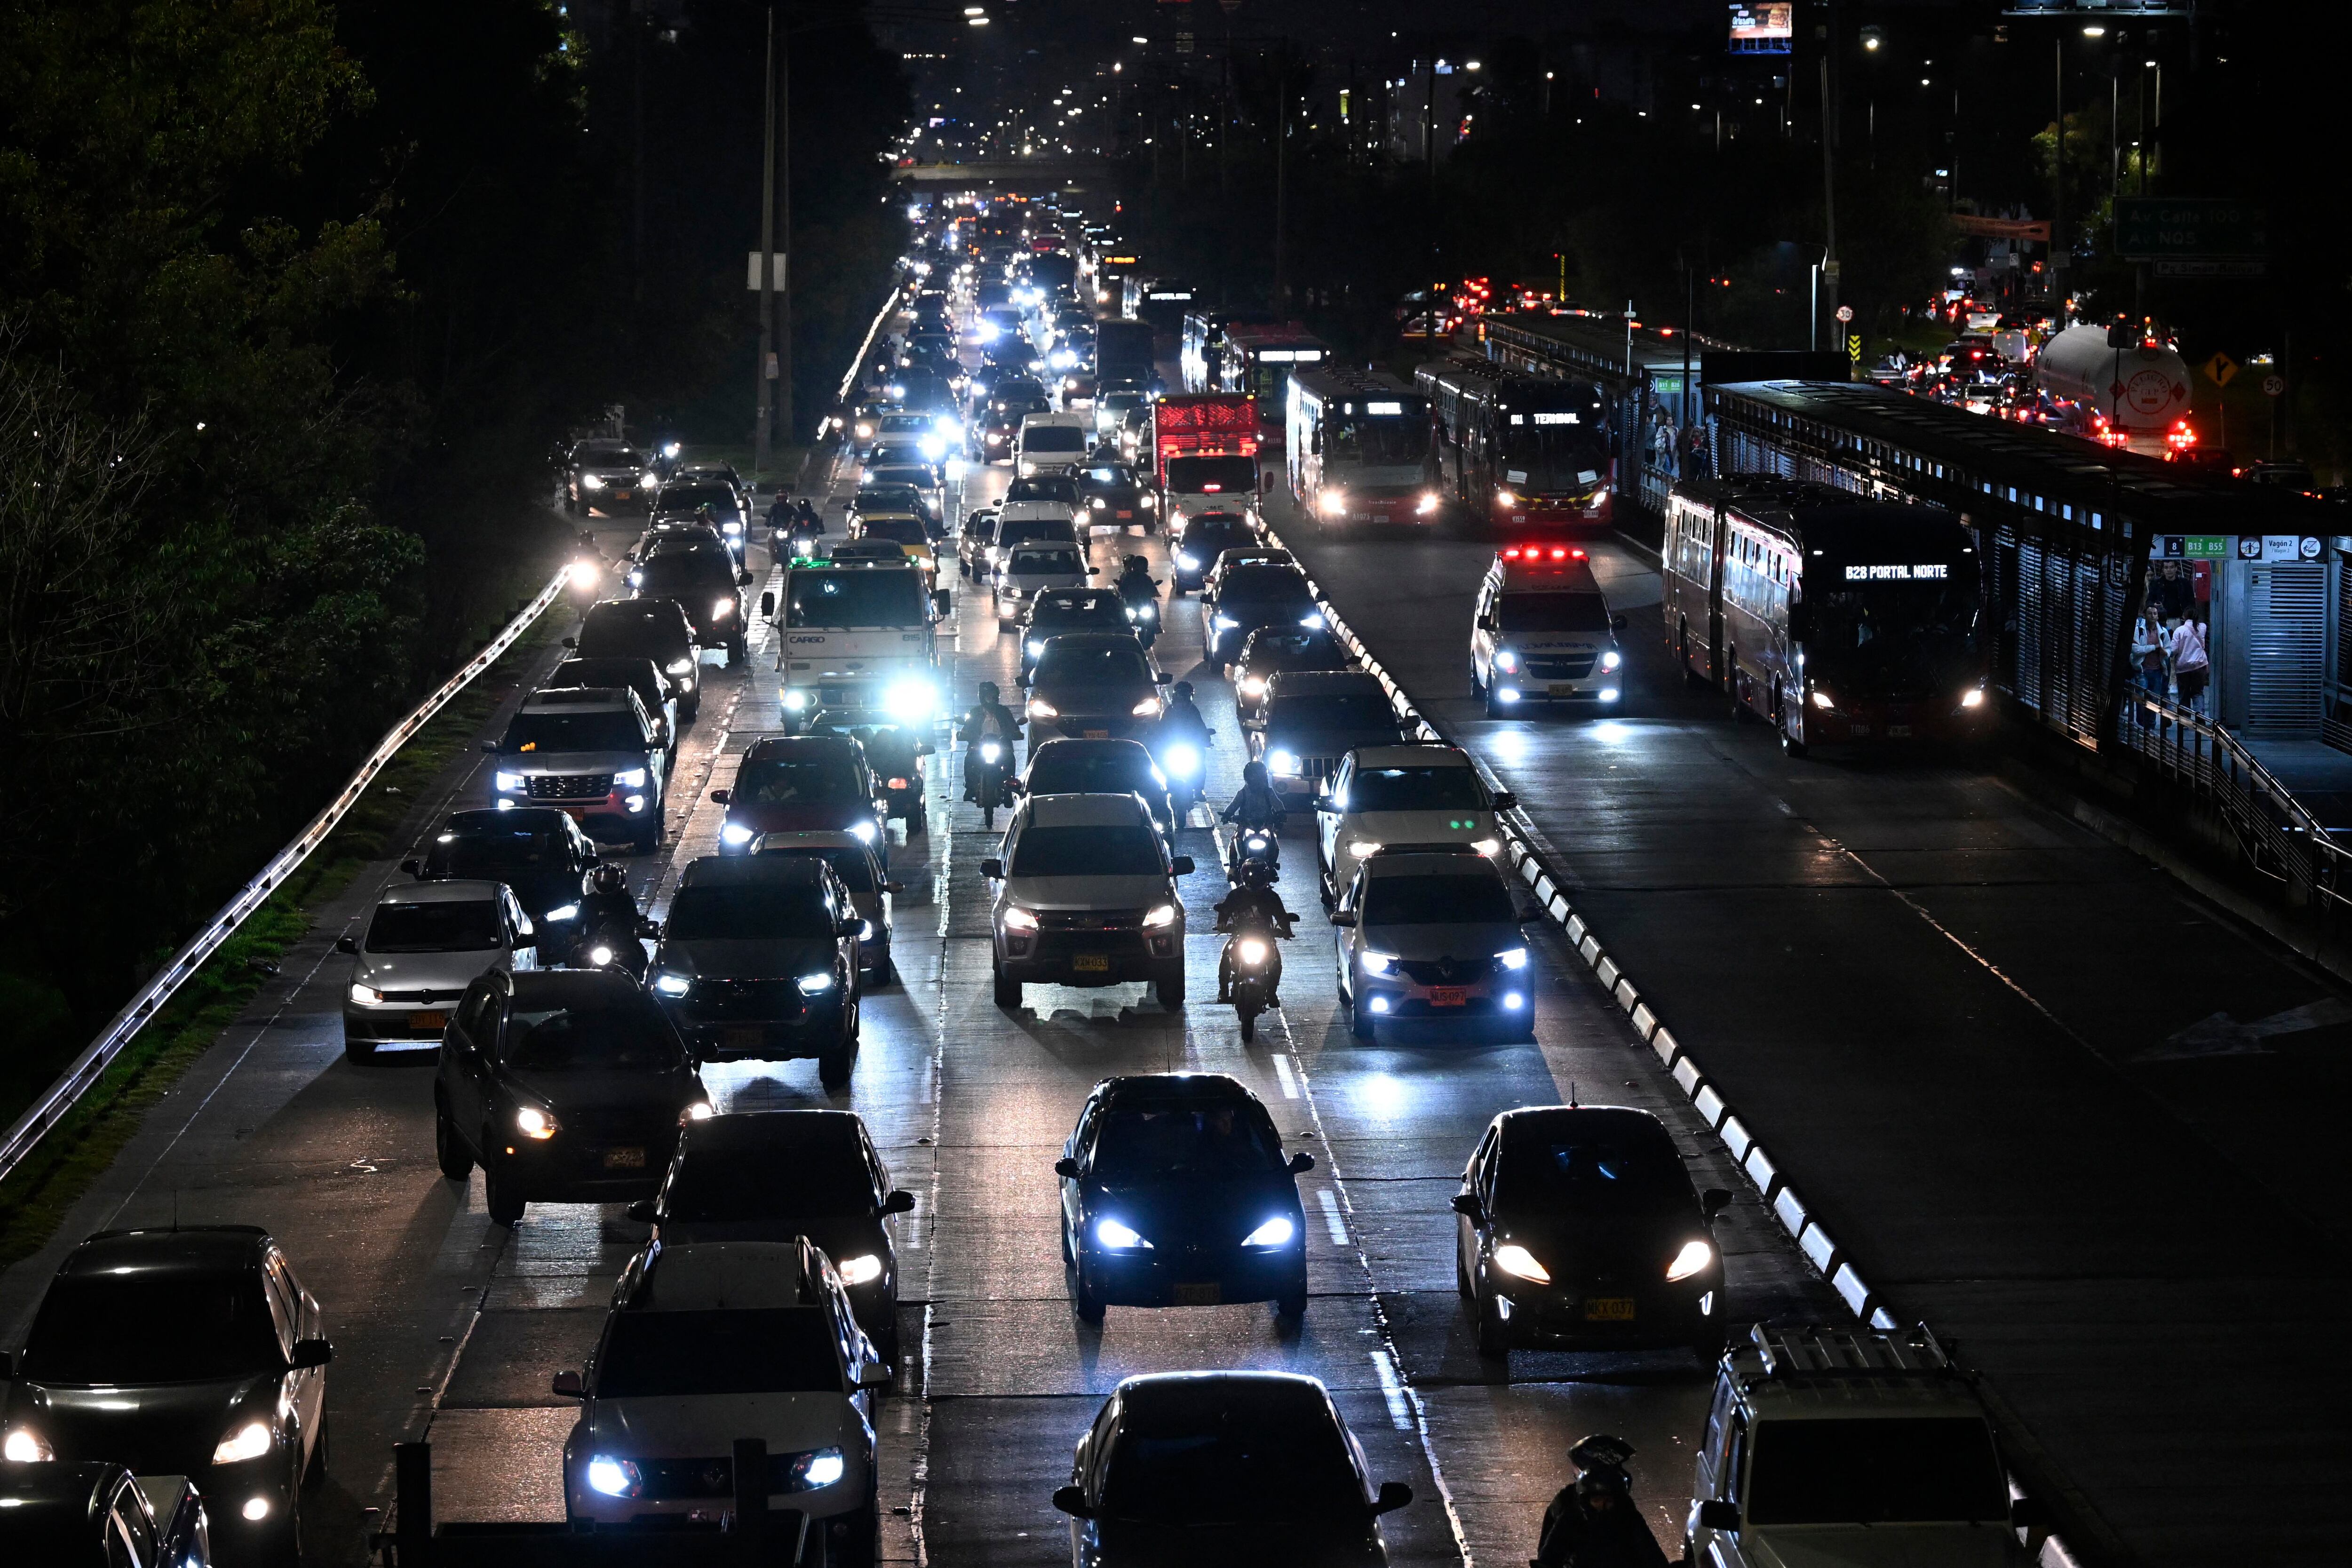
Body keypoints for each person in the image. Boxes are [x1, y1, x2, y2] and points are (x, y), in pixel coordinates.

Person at [1533, 1434, 1669, 1568]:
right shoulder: (1570, 1510)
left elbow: (1650, 1550)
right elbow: (1551, 1552)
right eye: (1598, 1500)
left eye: (1608, 1500)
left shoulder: (1626, 1513)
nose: (1603, 1506)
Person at [1214, 860, 1294, 1003]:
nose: (1255, 879)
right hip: (1241, 935)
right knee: (1226, 954)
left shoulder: (1272, 897)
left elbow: (1281, 915)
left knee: (1276, 961)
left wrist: (1286, 930)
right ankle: (1223, 990)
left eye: (1258, 876)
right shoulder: (1236, 895)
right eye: (1252, 875)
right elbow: (1225, 910)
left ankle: (1271, 993)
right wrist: (1222, 924)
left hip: (1265, 937)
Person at [958, 681, 1023, 800]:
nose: (992, 699)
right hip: (979, 746)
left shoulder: (1004, 712)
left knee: (1010, 758)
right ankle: (970, 788)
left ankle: (1009, 788)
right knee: (969, 759)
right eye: (989, 696)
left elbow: (1013, 727)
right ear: (983, 697)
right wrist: (964, 734)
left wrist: (1016, 733)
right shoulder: (975, 713)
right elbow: (967, 728)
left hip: (1001, 745)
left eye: (994, 696)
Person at [1221, 760, 1285, 837]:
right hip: (1245, 825)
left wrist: (1281, 815)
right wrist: (1227, 815)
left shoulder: (1268, 793)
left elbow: (1277, 804)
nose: (1257, 784)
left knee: (1274, 844)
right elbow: (1234, 805)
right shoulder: (1243, 793)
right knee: (1235, 841)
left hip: (1265, 826)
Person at [578, 863, 639, 934]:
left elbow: (634, 918)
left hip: (621, 940)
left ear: (618, 882)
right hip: (593, 940)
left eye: (609, 880)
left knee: (636, 945)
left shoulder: (626, 900)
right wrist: (574, 933)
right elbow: (579, 918)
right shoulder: (590, 900)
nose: (604, 884)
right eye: (601, 880)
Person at [2168, 615, 2209, 714]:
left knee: (2184, 694)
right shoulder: (2203, 628)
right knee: (2198, 693)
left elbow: (2174, 650)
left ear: (2184, 617)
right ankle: (2200, 720)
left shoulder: (2180, 630)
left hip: (2183, 668)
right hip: (2199, 667)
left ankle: (2184, 720)